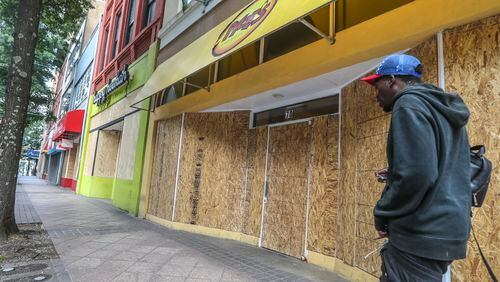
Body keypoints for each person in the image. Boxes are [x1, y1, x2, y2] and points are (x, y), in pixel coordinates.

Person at [361, 54, 472, 282]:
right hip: (446, 230)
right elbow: (441, 164)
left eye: (377, 84)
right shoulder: (440, 108)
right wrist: (395, 171)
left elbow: (418, 174)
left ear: (392, 80)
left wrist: (382, 212)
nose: (375, 94)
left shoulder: (407, 104)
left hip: (421, 232)